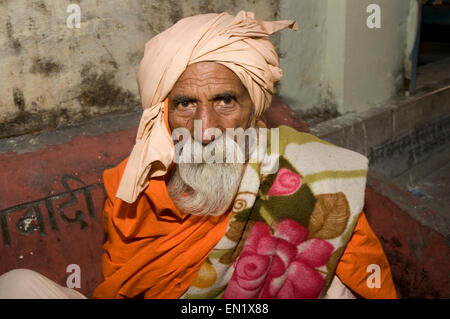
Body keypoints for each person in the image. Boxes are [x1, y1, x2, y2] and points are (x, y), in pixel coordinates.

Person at [0, 11, 397, 299]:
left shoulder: (310, 173)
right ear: (163, 113)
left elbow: (370, 283)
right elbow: (122, 286)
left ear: (253, 107)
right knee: (17, 286)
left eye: (225, 100)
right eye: (186, 103)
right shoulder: (134, 185)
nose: (205, 128)